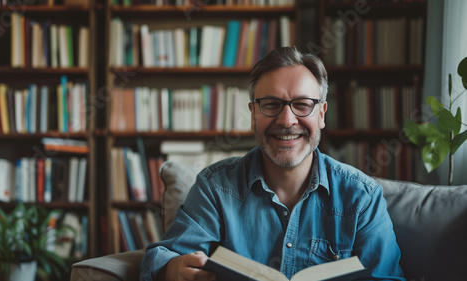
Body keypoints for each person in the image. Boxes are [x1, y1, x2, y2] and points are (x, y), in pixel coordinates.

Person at [140, 47, 405, 281]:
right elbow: (164, 257)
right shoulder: (215, 188)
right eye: (271, 105)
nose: (287, 120)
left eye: (302, 105)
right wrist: (173, 269)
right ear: (253, 114)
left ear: (322, 114)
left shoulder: (363, 198)